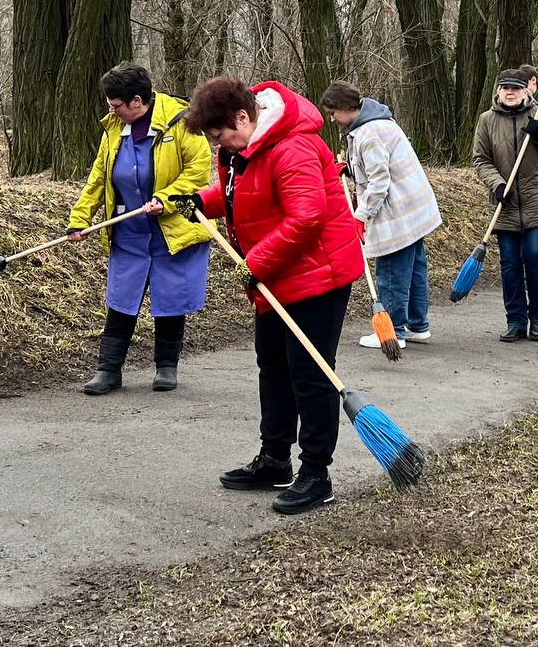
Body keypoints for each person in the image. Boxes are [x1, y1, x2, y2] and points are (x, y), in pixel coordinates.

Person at [175, 76, 362, 516]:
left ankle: (315, 474)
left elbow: (306, 218)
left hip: (320, 275)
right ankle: (275, 459)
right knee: (273, 366)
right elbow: (244, 196)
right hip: (277, 275)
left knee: (310, 374)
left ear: (244, 117)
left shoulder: (292, 147)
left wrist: (254, 263)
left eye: (222, 135)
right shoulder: (241, 151)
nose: (223, 145)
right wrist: (200, 201)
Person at [68, 63, 212, 395]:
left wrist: (167, 198)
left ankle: (166, 367)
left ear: (136, 101)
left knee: (169, 299)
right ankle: (108, 370)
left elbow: (199, 171)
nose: (112, 110)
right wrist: (80, 218)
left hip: (172, 230)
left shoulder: (182, 122)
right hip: (129, 232)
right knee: (121, 299)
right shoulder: (114, 129)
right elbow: (99, 178)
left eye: (116, 105)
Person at [320, 82, 442, 351]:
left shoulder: (369, 133)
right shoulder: (376, 122)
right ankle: (417, 324)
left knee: (391, 271)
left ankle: (393, 331)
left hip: (398, 212)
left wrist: (361, 216)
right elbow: (374, 169)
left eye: (333, 112)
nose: (331, 119)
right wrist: (349, 169)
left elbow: (378, 183)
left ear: (346, 108)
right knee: (414, 267)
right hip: (414, 208)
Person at [473, 69, 538, 342]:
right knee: (510, 263)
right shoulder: (487, 120)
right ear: (498, 92)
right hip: (505, 205)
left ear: (527, 91)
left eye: (515, 88)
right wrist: (498, 184)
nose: (510, 92)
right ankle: (515, 320)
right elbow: (480, 159)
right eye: (505, 88)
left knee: (535, 257)